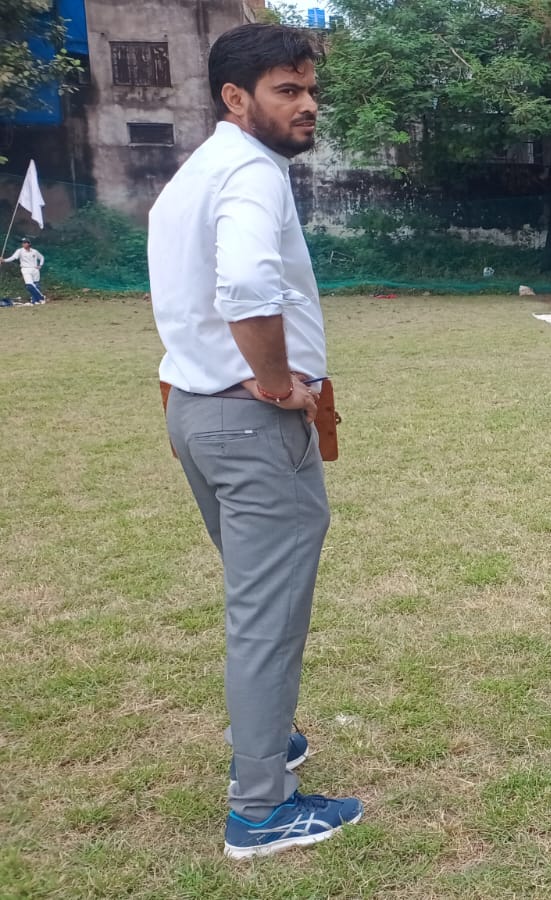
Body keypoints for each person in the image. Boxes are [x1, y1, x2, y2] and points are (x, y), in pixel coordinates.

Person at [148, 22, 361, 860]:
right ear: (236, 98)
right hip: (247, 421)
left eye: (311, 90)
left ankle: (270, 743)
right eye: (287, 90)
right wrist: (277, 382)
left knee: (254, 602)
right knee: (266, 619)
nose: (308, 106)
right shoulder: (248, 171)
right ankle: (262, 811)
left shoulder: (193, 175)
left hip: (195, 414)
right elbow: (242, 283)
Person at [4, 238, 46, 304]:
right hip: (25, 269)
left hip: (35, 269)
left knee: (36, 284)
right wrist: (4, 260)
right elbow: (13, 257)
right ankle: (41, 297)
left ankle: (35, 300)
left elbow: (42, 257)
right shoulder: (20, 251)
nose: (23, 244)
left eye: (25, 242)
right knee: (29, 285)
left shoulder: (34, 251)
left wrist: (40, 265)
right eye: (22, 243)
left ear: (29, 243)